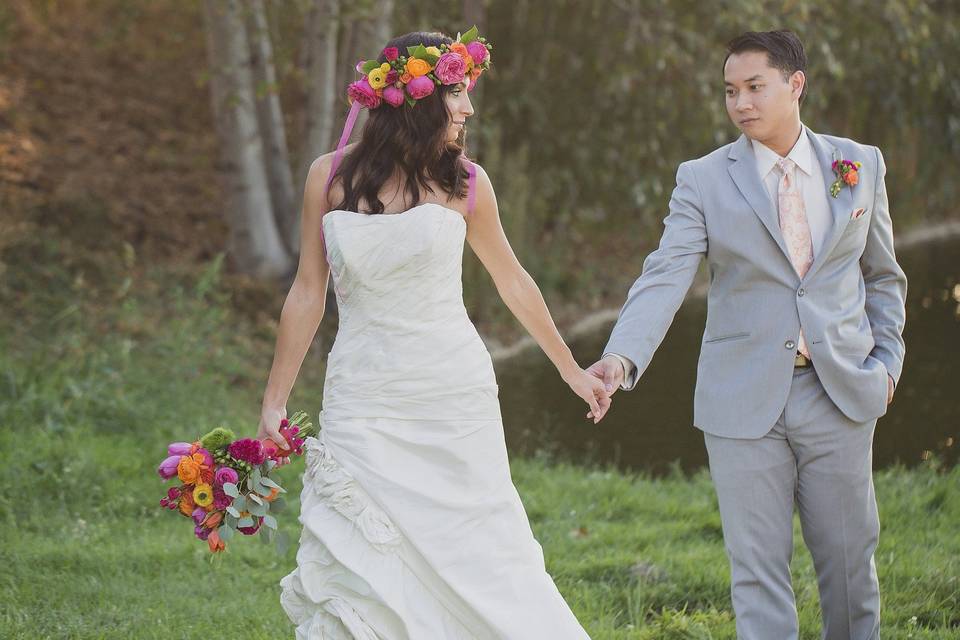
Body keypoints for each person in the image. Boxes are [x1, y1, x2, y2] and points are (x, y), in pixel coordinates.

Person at [256, 29, 600, 639]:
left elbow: (513, 281)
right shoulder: (328, 177)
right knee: (358, 556)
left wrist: (571, 369)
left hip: (450, 393)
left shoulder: (468, 183)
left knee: (478, 550)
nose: (468, 108)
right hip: (361, 394)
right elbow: (309, 292)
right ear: (417, 101)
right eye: (459, 94)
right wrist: (274, 400)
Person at [589, 30, 906, 640]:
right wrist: (621, 358)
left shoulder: (859, 164)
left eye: (754, 87)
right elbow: (667, 274)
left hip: (839, 391)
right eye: (730, 91)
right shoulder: (703, 179)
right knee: (757, 576)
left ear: (796, 85)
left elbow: (884, 277)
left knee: (849, 569)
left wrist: (887, 361)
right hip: (740, 401)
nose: (740, 104)